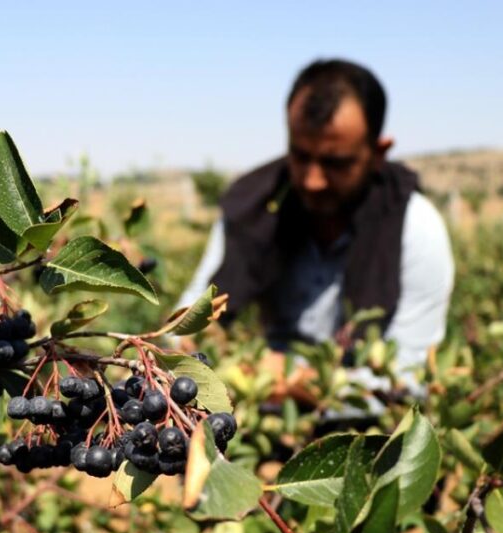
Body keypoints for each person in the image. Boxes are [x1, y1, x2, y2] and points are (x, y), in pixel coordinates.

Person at [178, 58, 454, 397]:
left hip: (365, 423)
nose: (312, 180)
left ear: (378, 153)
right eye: (300, 155)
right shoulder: (254, 207)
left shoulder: (416, 228)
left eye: (335, 163)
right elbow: (189, 318)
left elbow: (411, 378)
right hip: (258, 408)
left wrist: (300, 383)